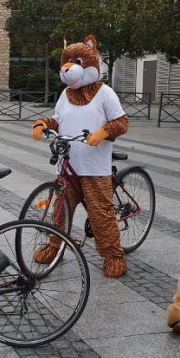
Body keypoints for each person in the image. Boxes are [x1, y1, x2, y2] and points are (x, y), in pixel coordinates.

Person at [32, 35, 129, 278]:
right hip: (68, 165)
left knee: (101, 215)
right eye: (66, 61)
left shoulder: (105, 93)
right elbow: (58, 119)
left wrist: (104, 132)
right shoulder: (65, 94)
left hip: (94, 168)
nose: (67, 67)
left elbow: (122, 122)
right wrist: (42, 123)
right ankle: (54, 247)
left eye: (75, 61)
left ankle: (114, 255)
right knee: (59, 211)